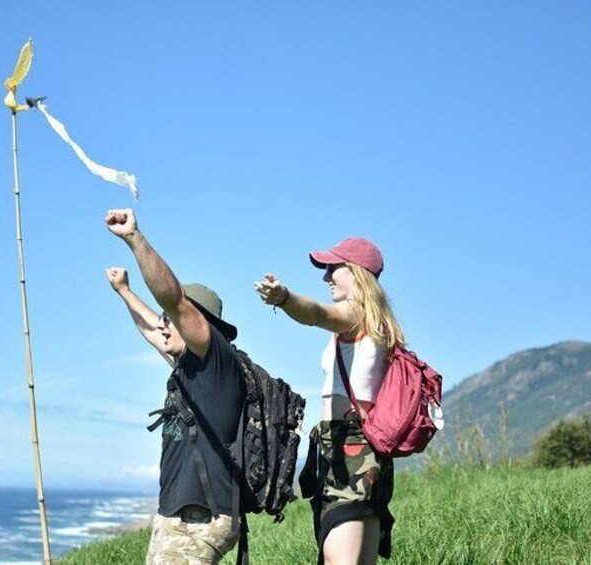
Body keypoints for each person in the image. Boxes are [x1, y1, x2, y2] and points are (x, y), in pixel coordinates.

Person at [105, 208, 245, 565]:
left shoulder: (215, 362)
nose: (165, 325)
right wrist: (125, 292)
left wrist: (134, 239)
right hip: (178, 515)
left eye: (173, 319)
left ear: (198, 323)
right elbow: (155, 328)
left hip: (198, 518)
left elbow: (174, 301)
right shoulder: (191, 370)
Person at [254, 237, 403, 565]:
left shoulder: (357, 314)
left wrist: (285, 298)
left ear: (356, 272)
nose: (326, 278)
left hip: (349, 447)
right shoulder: (377, 322)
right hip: (366, 451)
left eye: (333, 268)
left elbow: (316, 313)